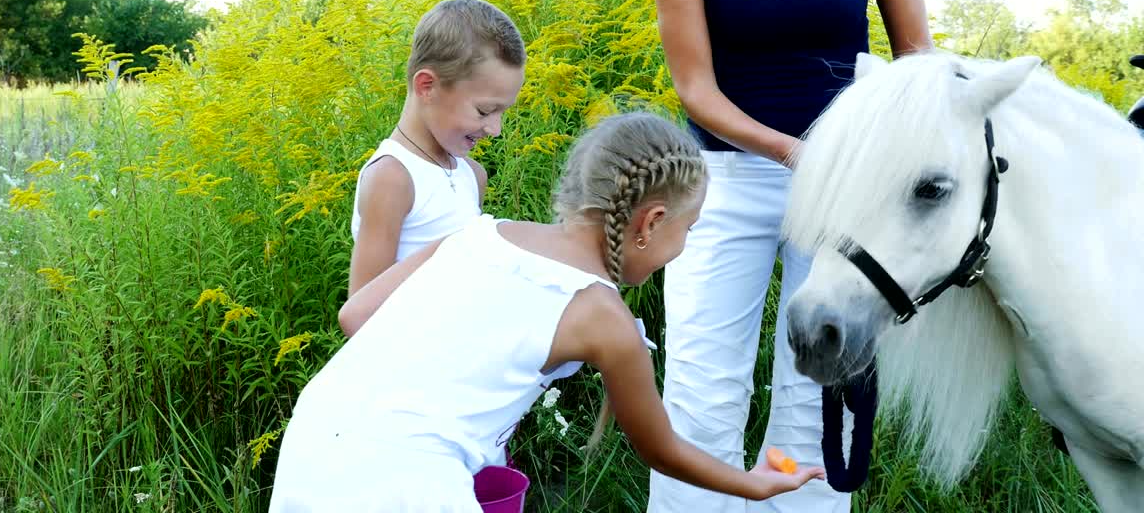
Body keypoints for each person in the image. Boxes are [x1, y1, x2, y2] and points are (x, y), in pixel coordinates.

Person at [267, 112, 825, 512]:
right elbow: (661, 449)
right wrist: (753, 485)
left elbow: (357, 315)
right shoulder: (601, 316)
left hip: (314, 445)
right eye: (689, 228)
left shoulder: (481, 234)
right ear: (652, 222)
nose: (683, 245)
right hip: (412, 483)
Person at [645, 0, 933, 511]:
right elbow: (696, 89)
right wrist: (791, 151)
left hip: (843, 191)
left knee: (819, 389)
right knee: (701, 388)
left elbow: (914, 61)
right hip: (721, 180)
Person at [348, 0, 526, 296]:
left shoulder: (472, 174)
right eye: (484, 111)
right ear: (427, 86)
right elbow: (361, 312)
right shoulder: (392, 178)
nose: (495, 130)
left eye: (502, 113)